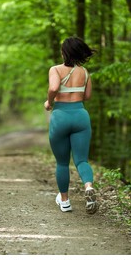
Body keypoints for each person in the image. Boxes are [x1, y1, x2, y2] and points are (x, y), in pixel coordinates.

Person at [44, 36, 97, 214]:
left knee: (62, 163)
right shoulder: (85, 72)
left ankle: (65, 201)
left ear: (64, 52)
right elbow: (87, 96)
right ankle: (88, 186)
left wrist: (49, 102)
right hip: (81, 116)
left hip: (61, 116)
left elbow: (53, 88)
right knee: (81, 160)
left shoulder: (55, 69)